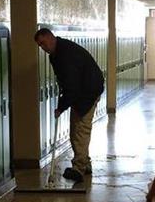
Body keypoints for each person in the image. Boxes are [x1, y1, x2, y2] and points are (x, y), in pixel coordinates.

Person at [34, 28, 104, 183]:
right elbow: (65, 82)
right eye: (40, 46)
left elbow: (72, 85)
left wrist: (61, 107)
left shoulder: (65, 54)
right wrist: (62, 103)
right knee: (76, 129)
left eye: (44, 43)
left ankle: (79, 168)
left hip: (89, 91)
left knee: (80, 130)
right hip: (81, 91)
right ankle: (85, 163)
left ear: (51, 38)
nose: (43, 48)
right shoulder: (56, 54)